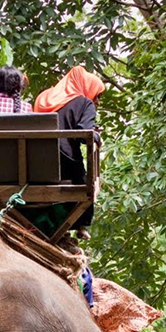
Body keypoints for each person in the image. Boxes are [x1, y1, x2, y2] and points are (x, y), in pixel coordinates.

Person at [34, 66, 105, 239]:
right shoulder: (84, 103)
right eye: (97, 96)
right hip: (64, 159)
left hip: (35, 158)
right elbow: (83, 134)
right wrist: (96, 136)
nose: (97, 102)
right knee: (84, 181)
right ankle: (81, 225)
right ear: (88, 87)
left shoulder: (44, 98)